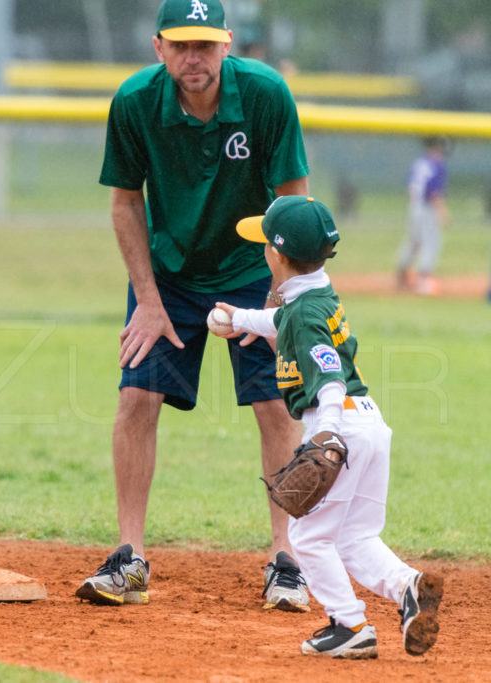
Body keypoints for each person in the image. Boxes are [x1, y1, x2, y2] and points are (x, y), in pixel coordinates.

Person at [75, 0, 311, 610]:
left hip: (251, 266)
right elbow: (127, 202)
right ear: (159, 48)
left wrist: (276, 300)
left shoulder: (265, 94)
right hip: (168, 272)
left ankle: (288, 559)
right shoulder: (134, 102)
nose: (193, 56)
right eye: (180, 45)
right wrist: (148, 301)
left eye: (205, 44)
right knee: (135, 398)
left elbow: (292, 204)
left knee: (275, 406)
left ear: (228, 43)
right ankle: (130, 558)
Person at [212, 195, 444, 658]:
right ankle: (407, 588)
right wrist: (240, 320)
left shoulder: (306, 314)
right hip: (371, 424)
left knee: (308, 537)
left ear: (276, 255)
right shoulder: (316, 293)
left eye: (265, 243)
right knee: (355, 536)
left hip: (341, 427)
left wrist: (327, 435)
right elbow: (284, 320)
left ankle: (348, 624)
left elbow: (330, 378)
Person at [396, 136, 450, 295]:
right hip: (427, 208)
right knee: (432, 242)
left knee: (414, 241)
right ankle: (424, 281)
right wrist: (443, 212)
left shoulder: (419, 163)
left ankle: (402, 273)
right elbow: (434, 192)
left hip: (414, 207)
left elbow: (411, 186)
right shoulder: (437, 165)